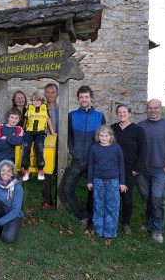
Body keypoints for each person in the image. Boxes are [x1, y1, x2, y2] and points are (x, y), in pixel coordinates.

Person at [59, 85, 105, 229]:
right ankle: (83, 215)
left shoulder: (99, 116)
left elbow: (103, 138)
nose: (84, 99)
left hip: (94, 161)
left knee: (93, 192)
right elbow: (69, 136)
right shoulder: (72, 115)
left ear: (91, 98)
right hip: (78, 160)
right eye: (81, 97)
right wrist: (72, 150)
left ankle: (92, 220)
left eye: (86, 97)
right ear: (78, 99)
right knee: (66, 188)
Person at [137, 99, 165, 243]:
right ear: (146, 109)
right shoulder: (140, 126)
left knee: (157, 199)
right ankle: (150, 224)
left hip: (159, 170)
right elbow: (135, 148)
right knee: (146, 199)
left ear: (161, 108)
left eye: (156, 108)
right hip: (142, 171)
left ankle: (157, 229)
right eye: (150, 108)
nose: (153, 110)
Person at [87, 125, 127, 246]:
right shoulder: (94, 148)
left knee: (112, 206)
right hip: (98, 179)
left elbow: (121, 165)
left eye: (106, 136)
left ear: (111, 136)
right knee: (98, 205)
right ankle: (99, 230)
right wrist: (89, 181)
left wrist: (122, 182)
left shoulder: (116, 148)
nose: (104, 138)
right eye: (101, 136)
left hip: (113, 180)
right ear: (98, 137)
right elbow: (90, 165)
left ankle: (110, 232)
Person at [111, 104, 146, 235]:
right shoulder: (113, 129)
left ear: (130, 114)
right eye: (119, 112)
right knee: (113, 197)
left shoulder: (137, 130)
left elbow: (143, 150)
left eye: (124, 112)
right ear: (117, 114)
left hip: (129, 169)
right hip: (113, 168)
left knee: (127, 198)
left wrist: (137, 168)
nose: (122, 114)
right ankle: (112, 220)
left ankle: (126, 223)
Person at [21, 92, 57, 181]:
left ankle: (40, 169)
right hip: (29, 131)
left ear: (41, 101)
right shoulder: (29, 107)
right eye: (34, 100)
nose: (36, 102)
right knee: (26, 146)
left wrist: (52, 131)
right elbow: (26, 119)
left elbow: (48, 119)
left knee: (39, 146)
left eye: (38, 100)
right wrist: (22, 130)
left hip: (40, 132)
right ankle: (26, 169)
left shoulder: (44, 108)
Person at [0, 108, 24, 181]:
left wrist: (6, 138)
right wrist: (13, 143)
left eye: (16, 118)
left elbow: (19, 142)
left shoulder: (19, 129)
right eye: (12, 117)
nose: (13, 120)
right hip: (0, 160)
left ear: (19, 120)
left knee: (11, 184)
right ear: (8, 117)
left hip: (12, 162)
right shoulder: (0, 127)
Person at [42, 83, 59, 209]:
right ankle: (47, 200)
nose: (50, 95)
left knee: (59, 173)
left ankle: (59, 200)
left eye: (52, 92)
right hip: (45, 147)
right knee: (46, 175)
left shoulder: (62, 110)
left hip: (59, 146)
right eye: (47, 92)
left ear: (57, 94)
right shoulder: (41, 109)